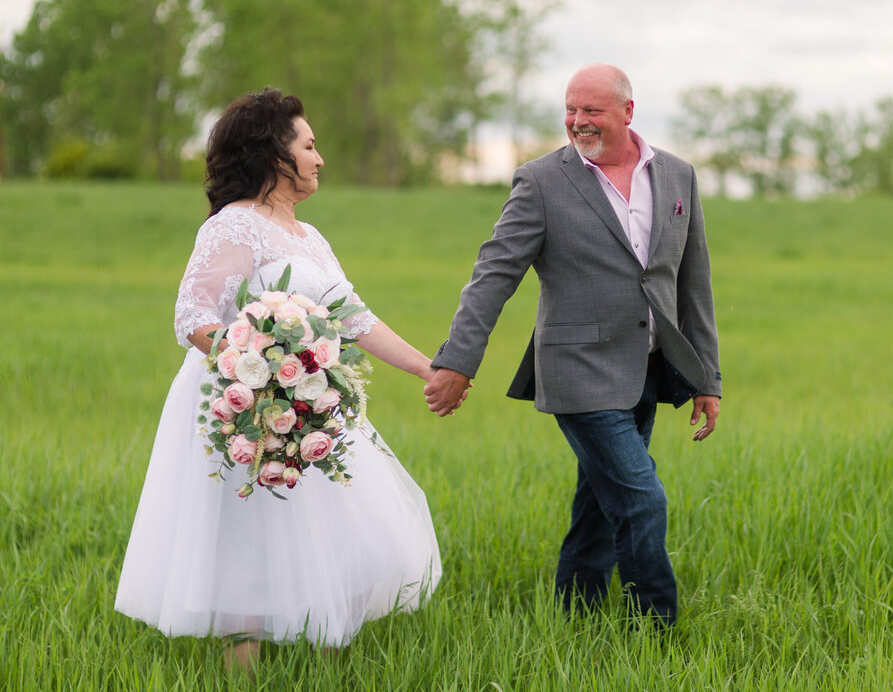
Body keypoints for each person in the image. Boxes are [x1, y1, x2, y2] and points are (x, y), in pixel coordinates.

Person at [115, 89, 443, 670]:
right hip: (239, 401)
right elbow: (193, 315)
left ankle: (311, 659)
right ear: (274, 154)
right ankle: (242, 671)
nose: (320, 158)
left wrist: (428, 366)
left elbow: (354, 318)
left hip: (306, 405)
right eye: (309, 146)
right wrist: (259, 370)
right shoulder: (234, 226)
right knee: (245, 537)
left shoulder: (311, 237)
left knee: (327, 529)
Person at [424, 63, 722, 626]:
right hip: (577, 372)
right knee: (641, 499)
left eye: (592, 111)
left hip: (648, 368)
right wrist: (458, 361)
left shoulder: (678, 176)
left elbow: (693, 281)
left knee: (598, 505)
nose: (578, 122)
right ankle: (654, 631)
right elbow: (494, 275)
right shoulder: (541, 182)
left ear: (628, 112)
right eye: (571, 110)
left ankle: (575, 618)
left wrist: (706, 377)